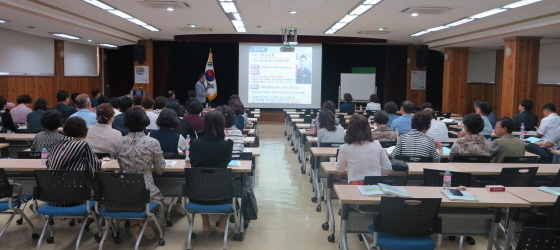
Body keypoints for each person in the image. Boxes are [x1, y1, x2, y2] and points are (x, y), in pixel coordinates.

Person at [115, 107, 165, 240]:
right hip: (147, 190)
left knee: (134, 200)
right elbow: (160, 169)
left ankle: (137, 224)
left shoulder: (118, 142)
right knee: (158, 200)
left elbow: (120, 166)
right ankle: (143, 224)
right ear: (145, 121)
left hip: (123, 189)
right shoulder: (152, 142)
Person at [189, 111, 234, 236]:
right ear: (222, 125)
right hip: (222, 192)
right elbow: (226, 162)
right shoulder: (227, 145)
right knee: (229, 184)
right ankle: (223, 225)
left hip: (197, 192)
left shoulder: (194, 143)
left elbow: (193, 162)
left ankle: (206, 225)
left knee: (202, 182)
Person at [336, 114, 392, 184]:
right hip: (376, 184)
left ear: (350, 129)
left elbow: (340, 169)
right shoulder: (376, 144)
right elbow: (388, 167)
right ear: (368, 128)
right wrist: (377, 174)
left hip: (356, 184)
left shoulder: (344, 148)